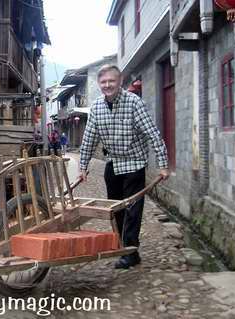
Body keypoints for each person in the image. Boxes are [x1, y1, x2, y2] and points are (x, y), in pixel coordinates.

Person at [79, 64, 170, 269]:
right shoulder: (96, 108)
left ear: (120, 81)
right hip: (113, 163)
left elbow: (152, 134)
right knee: (116, 208)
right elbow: (89, 139)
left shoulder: (134, 102)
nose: (108, 85)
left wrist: (163, 165)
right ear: (99, 84)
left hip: (134, 163)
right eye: (103, 82)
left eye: (111, 80)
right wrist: (83, 166)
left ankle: (131, 250)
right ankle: (123, 246)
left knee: (132, 209)